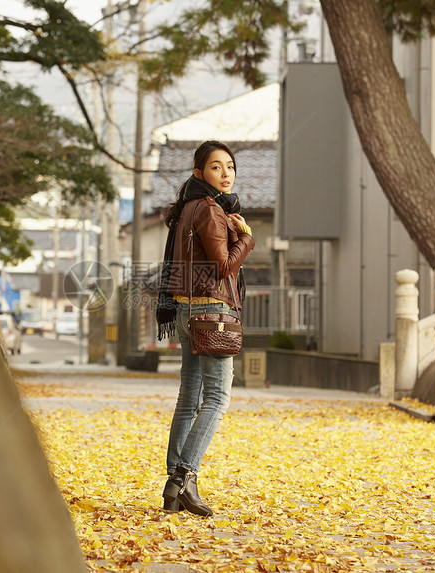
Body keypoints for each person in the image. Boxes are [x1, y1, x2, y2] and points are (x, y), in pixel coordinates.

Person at [156, 140, 255, 517]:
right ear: (200, 173)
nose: (226, 173)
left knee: (189, 398)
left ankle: (172, 485)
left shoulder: (188, 209)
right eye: (217, 167)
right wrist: (246, 237)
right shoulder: (211, 210)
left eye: (230, 166)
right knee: (217, 399)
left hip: (186, 308)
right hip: (211, 311)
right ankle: (184, 477)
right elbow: (222, 266)